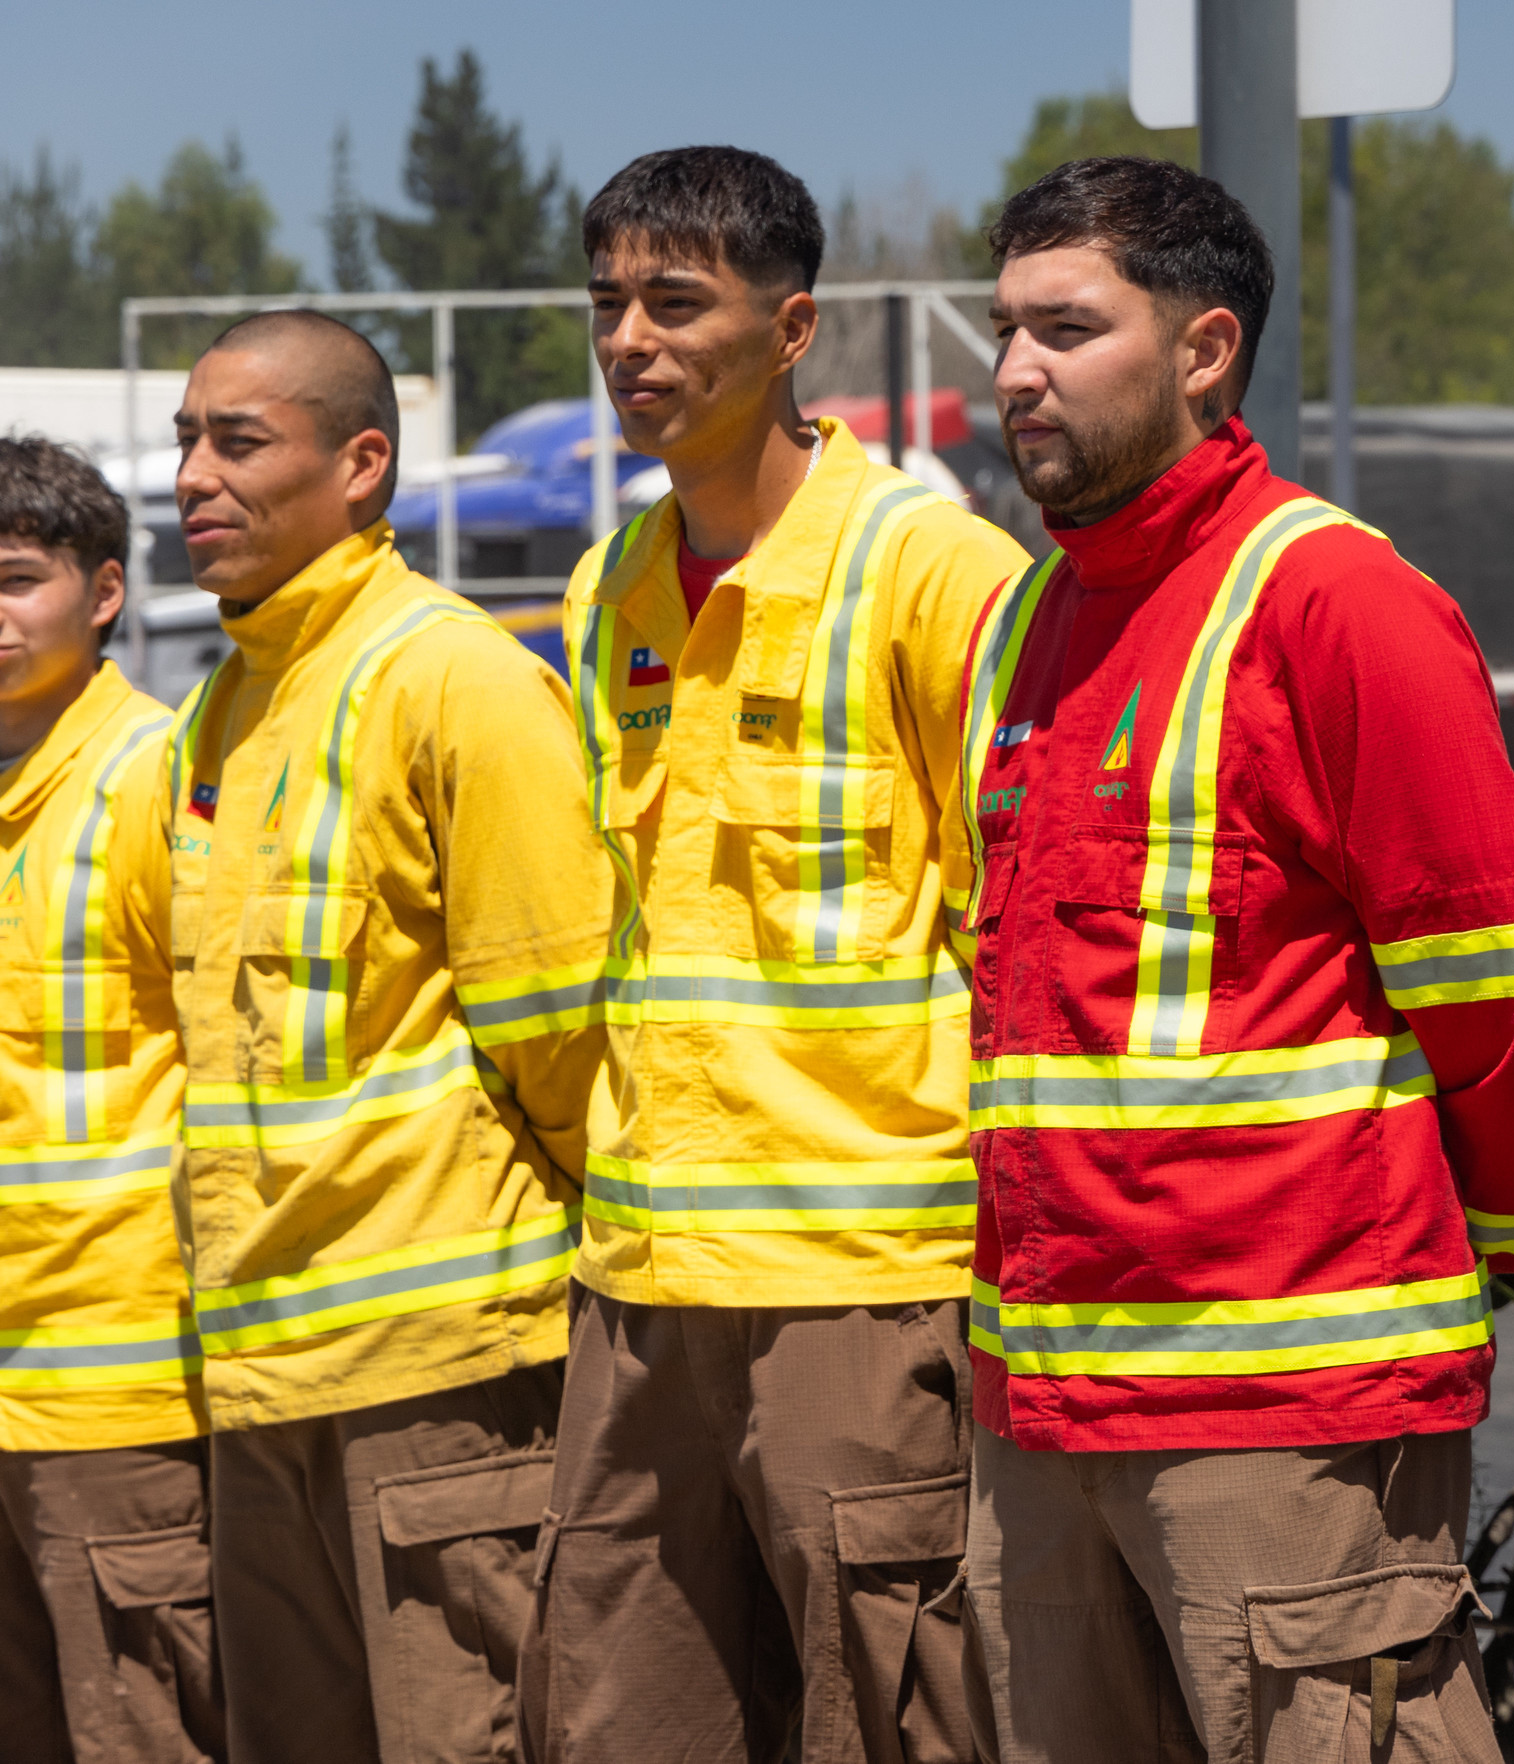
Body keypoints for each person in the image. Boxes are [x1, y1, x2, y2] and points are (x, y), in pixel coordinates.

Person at [953, 155, 1514, 1763]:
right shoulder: (1030, 622)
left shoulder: (1335, 601)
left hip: (1286, 1426)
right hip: (1042, 1415)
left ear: (1204, 351)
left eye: (1065, 328)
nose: (1013, 374)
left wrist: (1434, 1279)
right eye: (1006, 330)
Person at [517, 147, 1034, 1764]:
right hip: (645, 1286)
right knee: (616, 1716)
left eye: (679, 304)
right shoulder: (609, 586)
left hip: (861, 1288)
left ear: (793, 325)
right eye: (609, 305)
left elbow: (1012, 923)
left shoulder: (933, 571)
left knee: (895, 1718)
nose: (631, 344)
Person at [162, 309, 609, 1764]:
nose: (193, 478)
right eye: (186, 441)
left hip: (440, 1383)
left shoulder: (458, 680)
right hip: (261, 1376)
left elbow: (567, 1037)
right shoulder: (220, 711)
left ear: (363, 465)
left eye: (239, 442)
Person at [0, 437, 220, 1764]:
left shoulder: (165, 781)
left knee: (144, 1730)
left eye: (15, 579)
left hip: (119, 1385)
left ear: (105, 593)